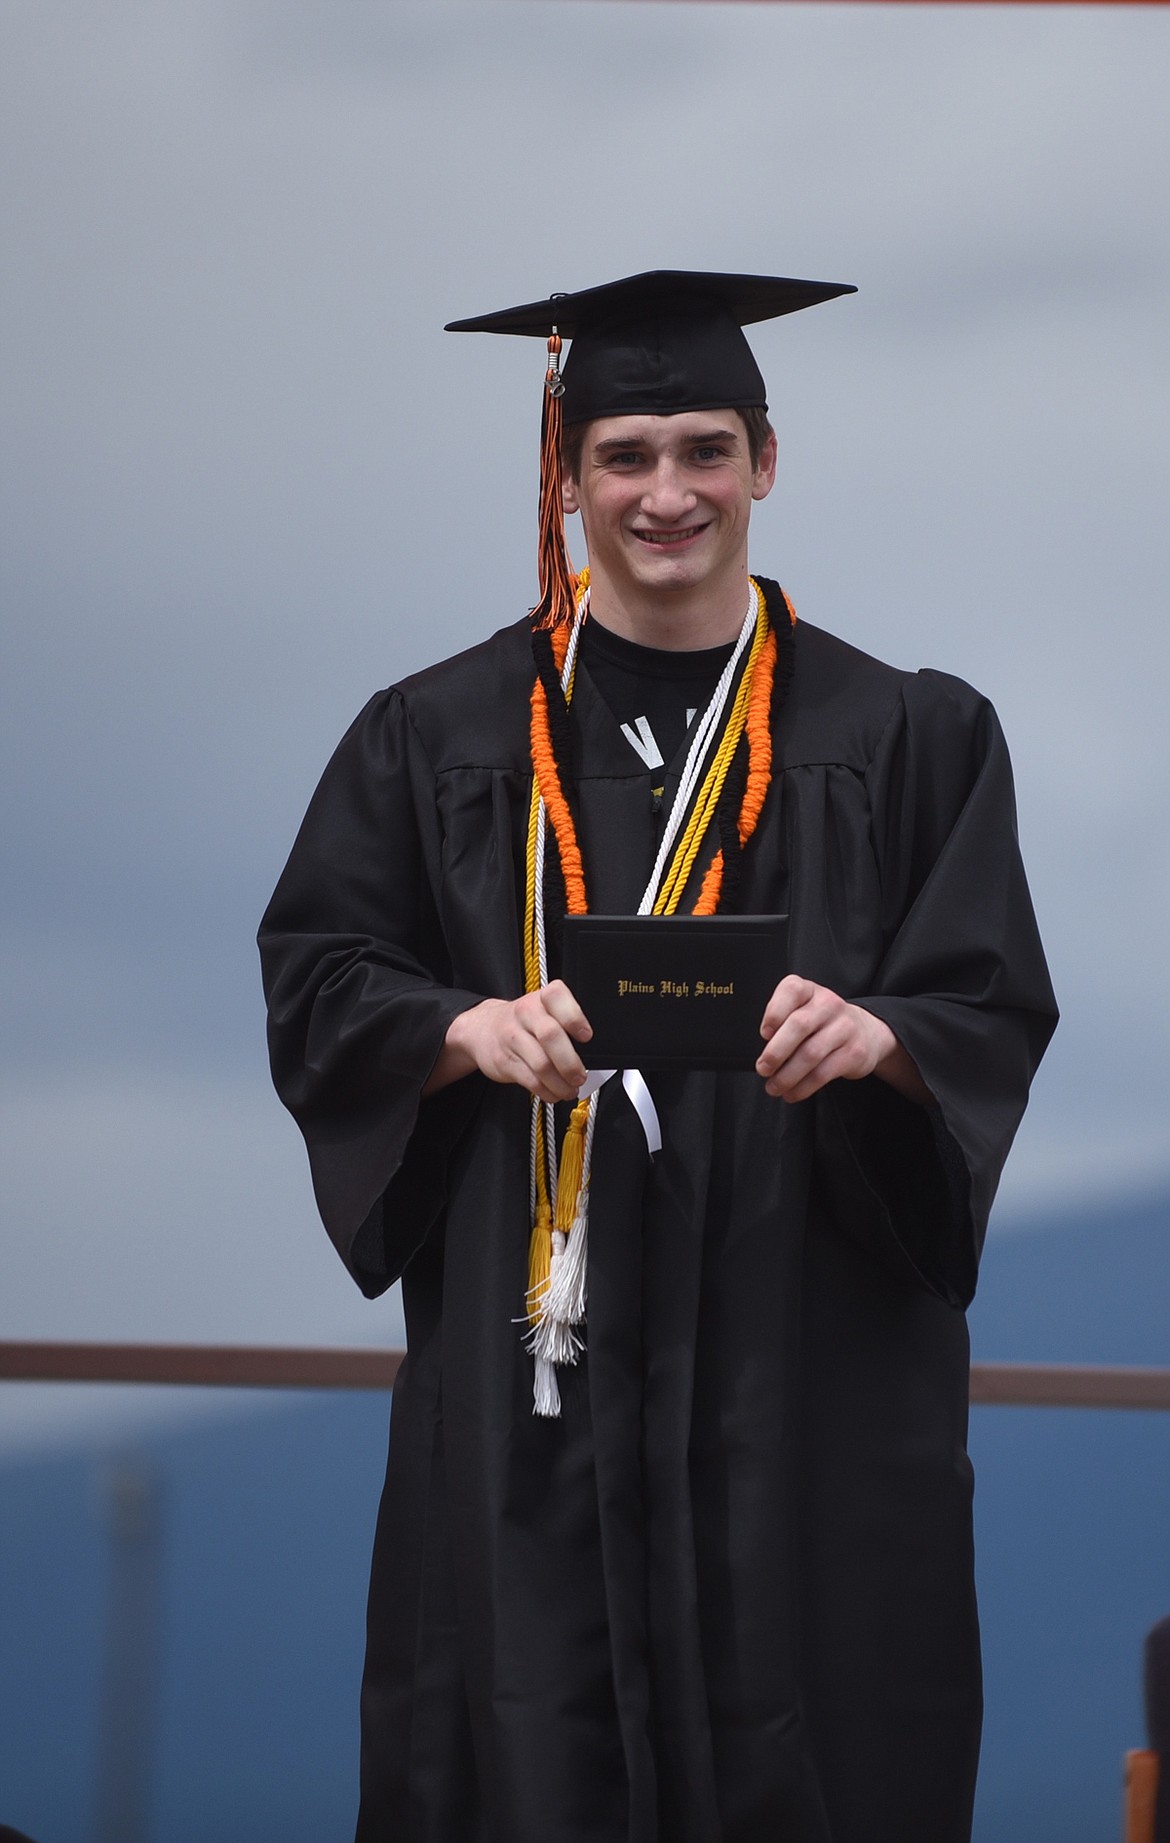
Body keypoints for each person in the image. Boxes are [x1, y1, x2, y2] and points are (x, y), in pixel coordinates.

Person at [259, 270, 1057, 1843]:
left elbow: (988, 1001)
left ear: (766, 461)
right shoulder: (434, 736)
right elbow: (321, 975)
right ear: (563, 479)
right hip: (537, 1347)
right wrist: (456, 1029)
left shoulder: (910, 737)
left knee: (818, 1708)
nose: (664, 493)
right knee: (522, 1729)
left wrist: (882, 1037)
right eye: (623, 456)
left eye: (702, 449)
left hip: (805, 1348)